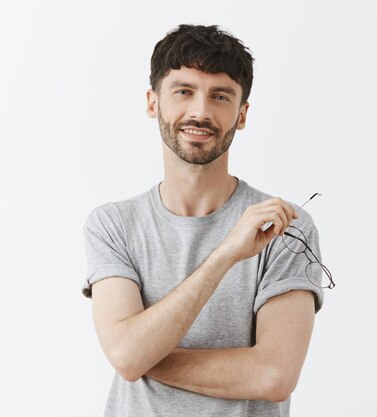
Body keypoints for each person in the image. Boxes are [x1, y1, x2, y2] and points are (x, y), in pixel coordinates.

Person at [81, 24, 328, 417]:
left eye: (220, 96)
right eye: (183, 91)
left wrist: (143, 354)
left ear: (242, 114)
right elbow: (126, 355)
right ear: (152, 102)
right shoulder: (114, 224)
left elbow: (273, 377)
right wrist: (225, 255)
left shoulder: (283, 227)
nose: (200, 111)